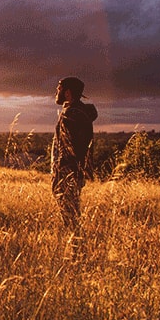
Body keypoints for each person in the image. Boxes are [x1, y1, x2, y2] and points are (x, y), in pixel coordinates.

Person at [51, 77, 98, 235]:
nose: (56, 92)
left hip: (68, 172)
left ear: (67, 92)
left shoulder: (72, 115)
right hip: (72, 172)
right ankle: (75, 242)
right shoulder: (76, 112)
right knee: (71, 212)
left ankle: (76, 245)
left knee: (69, 214)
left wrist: (62, 172)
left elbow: (72, 148)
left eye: (59, 89)